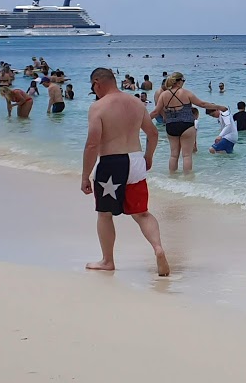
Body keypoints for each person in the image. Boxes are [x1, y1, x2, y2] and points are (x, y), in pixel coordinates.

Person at [81, 66, 168, 275]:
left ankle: (107, 261)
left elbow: (93, 144)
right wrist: (148, 157)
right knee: (142, 213)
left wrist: (85, 175)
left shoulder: (98, 107)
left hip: (112, 163)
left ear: (97, 83)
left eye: (93, 87)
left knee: (104, 214)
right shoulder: (136, 103)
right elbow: (153, 133)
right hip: (136, 160)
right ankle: (158, 248)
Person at [153, 72, 222, 173]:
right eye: (183, 80)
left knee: (173, 155)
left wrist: (140, 121)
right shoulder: (186, 93)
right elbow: (202, 104)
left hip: (171, 126)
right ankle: (188, 180)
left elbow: (155, 112)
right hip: (186, 126)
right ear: (178, 81)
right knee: (187, 155)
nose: (184, 82)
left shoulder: (163, 95)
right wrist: (219, 107)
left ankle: (172, 177)